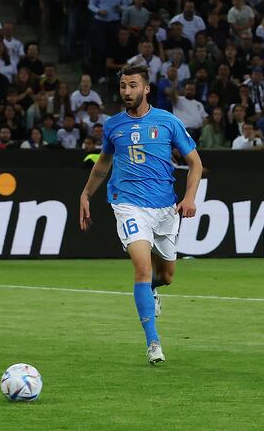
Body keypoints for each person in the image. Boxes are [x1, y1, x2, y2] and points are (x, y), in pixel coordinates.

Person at [79, 65, 203, 365]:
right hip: (128, 205)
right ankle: (153, 343)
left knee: (166, 276)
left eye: (133, 85)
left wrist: (189, 197)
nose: (126, 91)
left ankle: (150, 293)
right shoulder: (113, 126)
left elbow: (196, 164)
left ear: (146, 89)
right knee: (142, 268)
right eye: (123, 86)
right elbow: (103, 165)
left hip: (164, 209)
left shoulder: (168, 122)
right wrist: (85, 194)